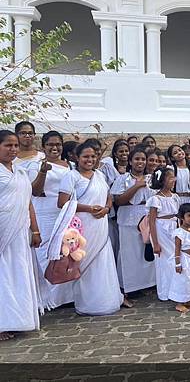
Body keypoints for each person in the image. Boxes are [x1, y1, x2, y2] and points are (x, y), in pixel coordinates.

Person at [57, 141, 124, 315]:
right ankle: (88, 304)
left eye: (93, 156)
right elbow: (62, 203)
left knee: (103, 261)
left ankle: (107, 301)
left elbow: (108, 196)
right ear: (77, 158)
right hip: (82, 226)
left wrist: (107, 208)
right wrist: (89, 209)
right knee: (84, 262)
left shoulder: (99, 175)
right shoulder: (71, 176)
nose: (90, 159)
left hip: (101, 224)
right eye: (86, 156)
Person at [0, 130, 41, 341]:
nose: (13, 149)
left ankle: (18, 319)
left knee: (18, 273)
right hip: (3, 230)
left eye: (15, 146)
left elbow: (28, 202)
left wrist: (35, 229)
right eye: (8, 145)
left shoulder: (20, 171)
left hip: (19, 231)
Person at [26, 131, 73, 310]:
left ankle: (65, 295)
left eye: (58, 144)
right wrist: (43, 172)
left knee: (65, 251)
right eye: (50, 145)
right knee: (46, 253)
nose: (54, 148)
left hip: (64, 213)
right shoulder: (36, 165)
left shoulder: (69, 165)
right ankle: (47, 298)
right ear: (43, 147)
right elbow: (34, 191)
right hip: (45, 212)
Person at [111, 146, 156, 297]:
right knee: (129, 254)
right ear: (130, 161)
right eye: (137, 159)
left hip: (147, 218)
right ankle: (130, 286)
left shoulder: (151, 178)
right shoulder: (123, 179)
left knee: (146, 253)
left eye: (143, 159)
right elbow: (118, 201)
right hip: (129, 220)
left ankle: (146, 283)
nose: (140, 162)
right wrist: (136, 186)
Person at [147, 167, 180, 301]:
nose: (173, 180)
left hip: (174, 228)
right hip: (161, 230)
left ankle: (177, 290)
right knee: (165, 263)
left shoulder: (175, 196)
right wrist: (155, 242)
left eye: (174, 177)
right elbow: (152, 220)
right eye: (170, 178)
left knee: (175, 259)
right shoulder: (156, 199)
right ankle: (165, 291)